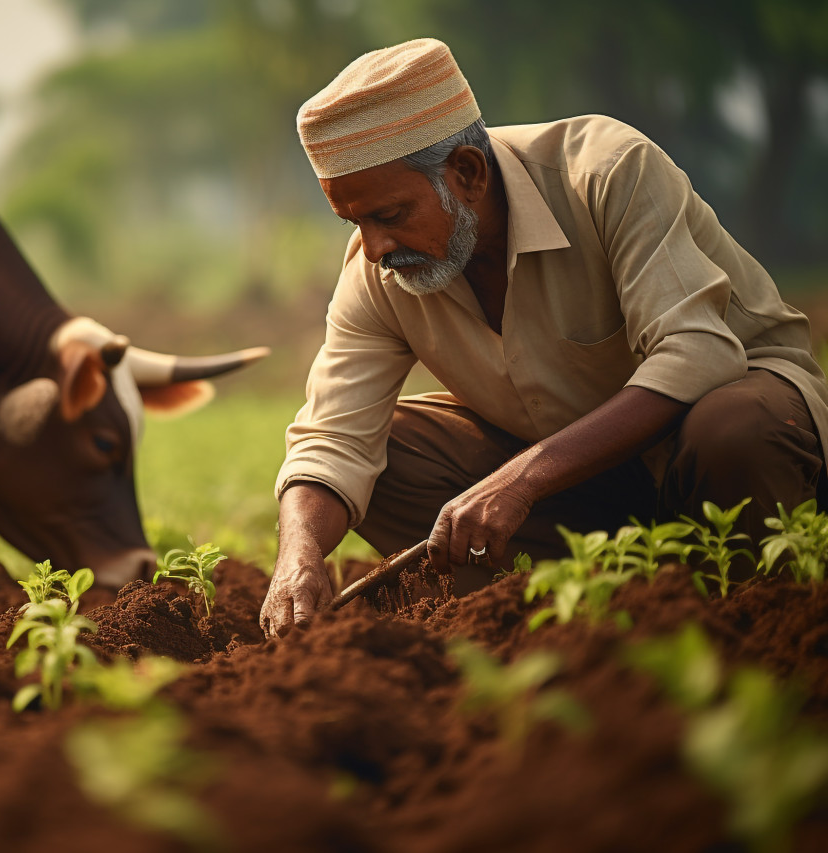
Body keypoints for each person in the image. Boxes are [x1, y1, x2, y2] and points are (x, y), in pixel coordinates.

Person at [259, 38, 828, 639]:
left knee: (732, 427)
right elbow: (332, 438)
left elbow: (698, 353)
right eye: (355, 222)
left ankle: (759, 620)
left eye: (390, 215)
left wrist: (525, 477)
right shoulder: (377, 273)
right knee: (387, 458)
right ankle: (569, 621)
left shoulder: (607, 173)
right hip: (584, 482)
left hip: (727, 444)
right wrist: (297, 557)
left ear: (468, 173)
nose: (374, 249)